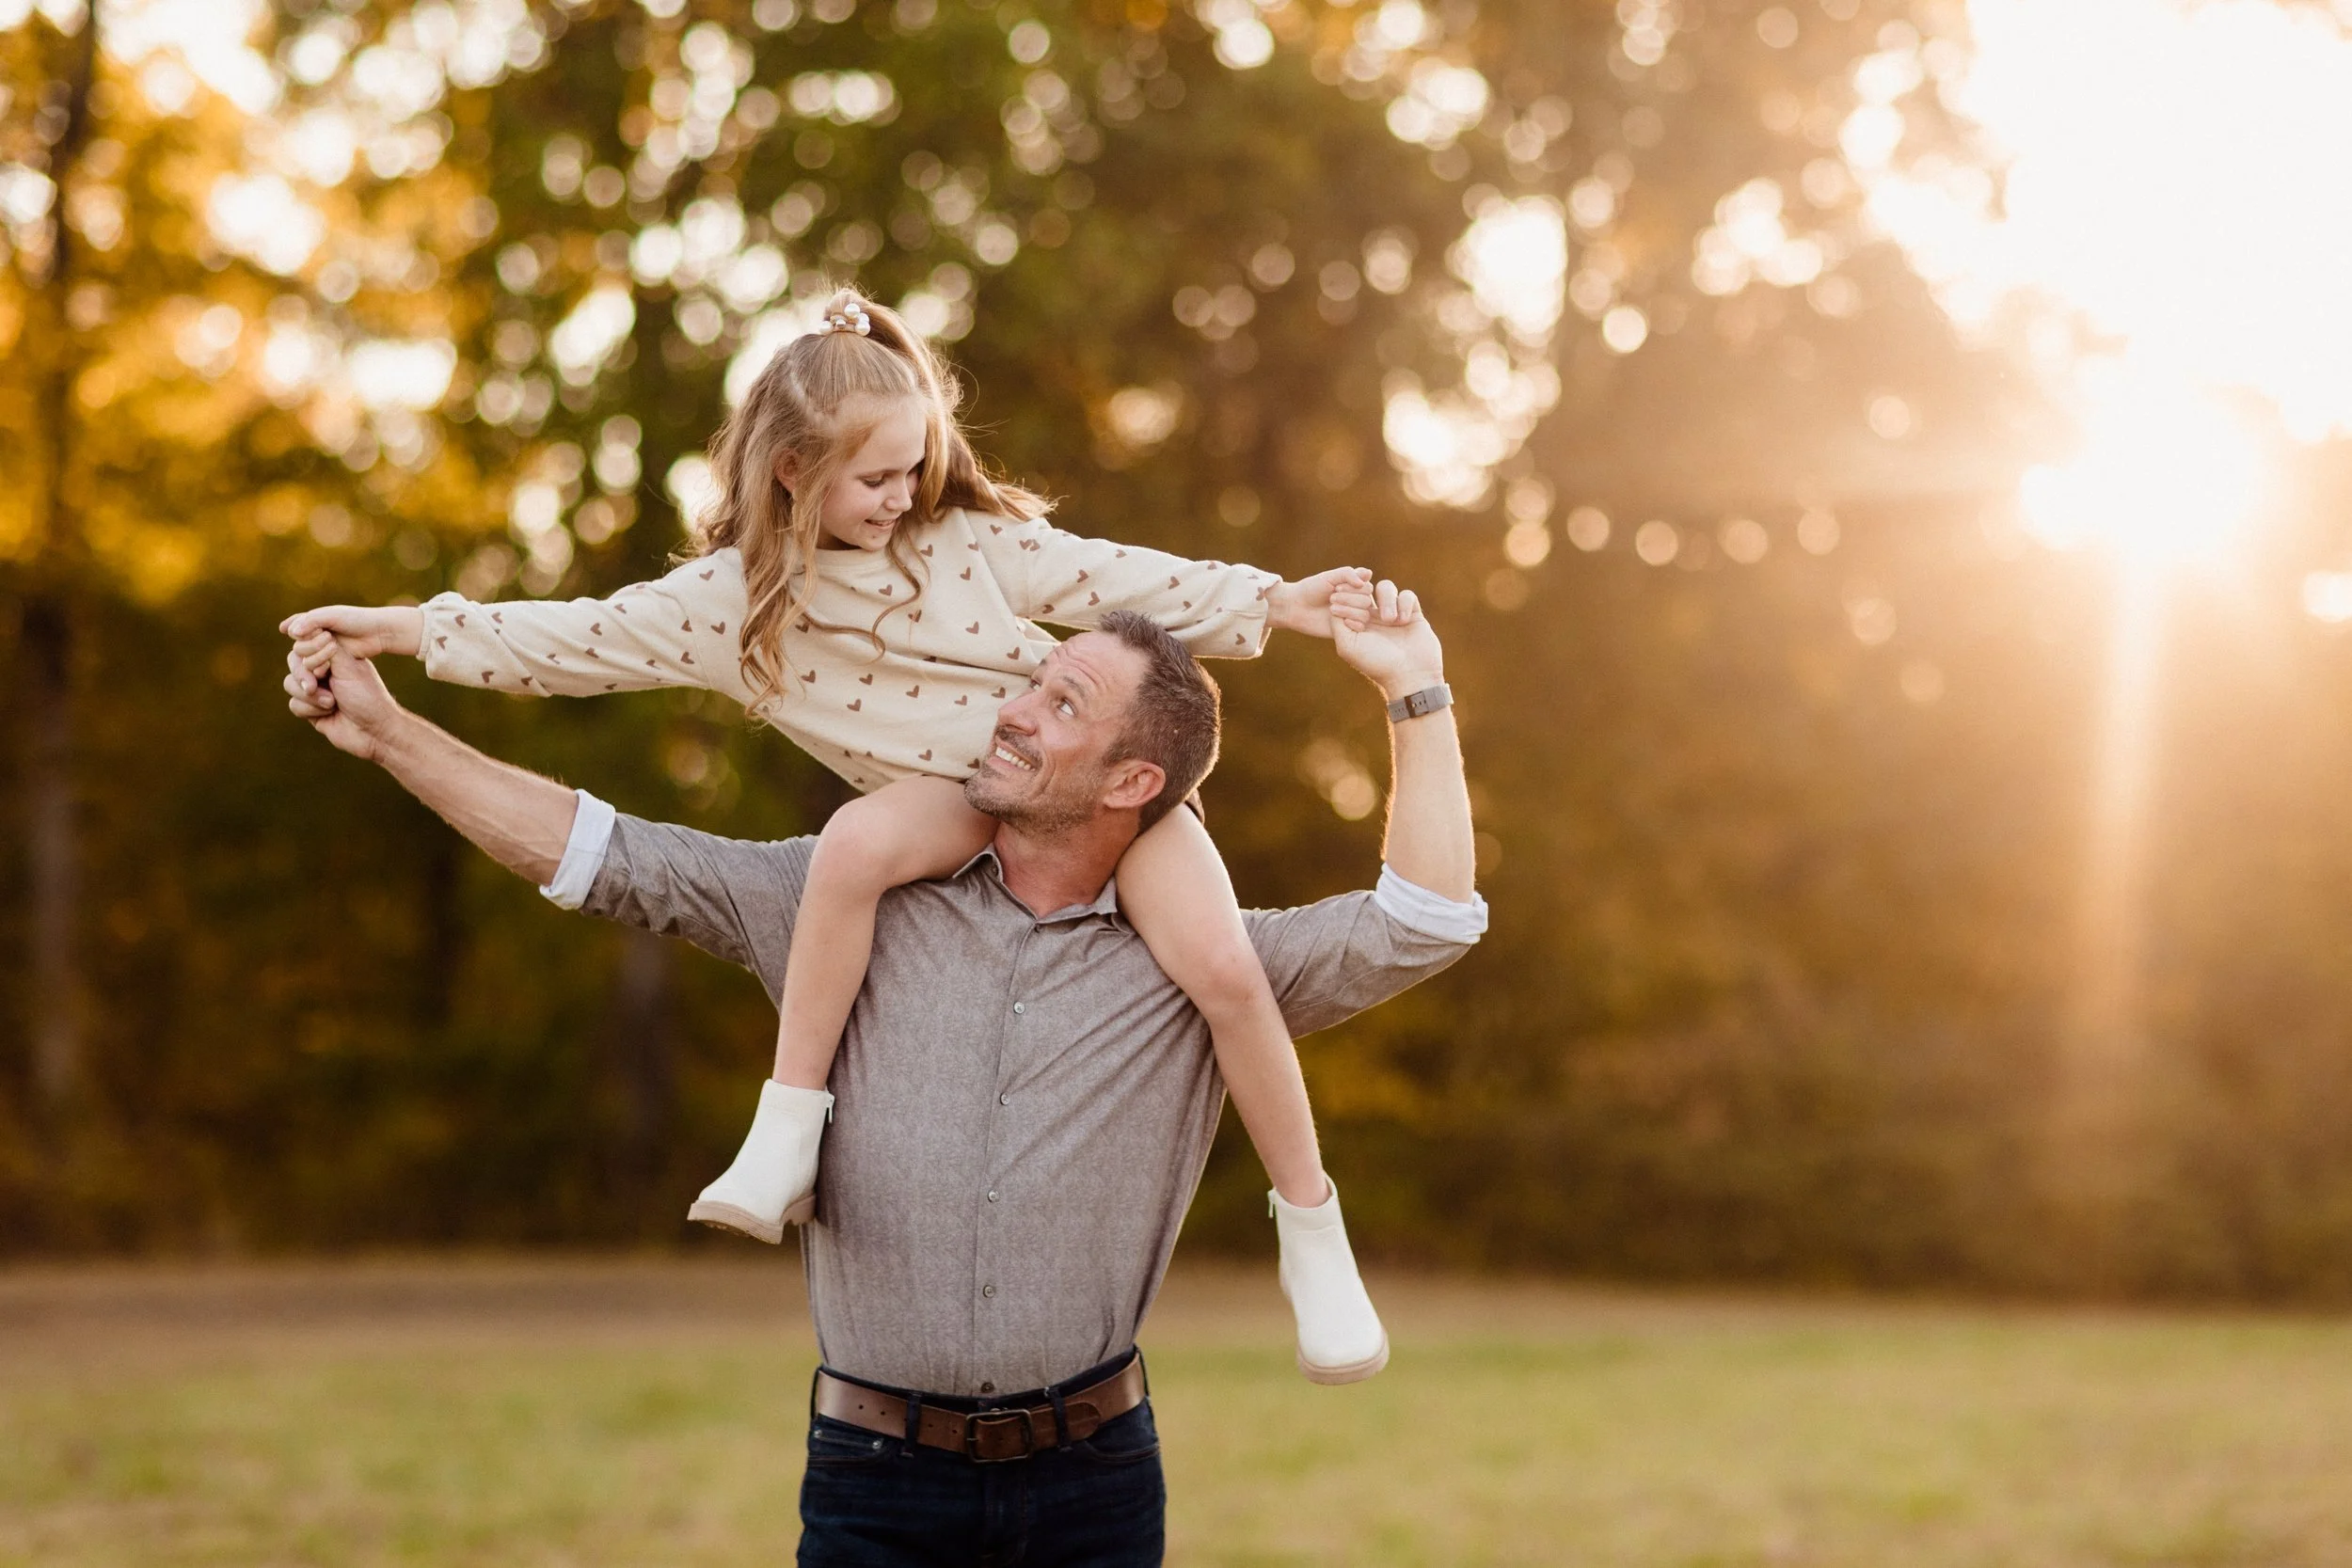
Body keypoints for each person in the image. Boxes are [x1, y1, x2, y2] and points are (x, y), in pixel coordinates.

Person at [281, 289, 1394, 1379]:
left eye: (915, 466)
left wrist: (1275, 601)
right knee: (854, 846)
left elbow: (1111, 575)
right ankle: (786, 1131)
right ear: (791, 470)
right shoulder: (729, 602)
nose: (903, 494)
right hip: (952, 796)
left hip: (1068, 778)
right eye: (877, 476)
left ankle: (1313, 1235)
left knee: (1228, 975)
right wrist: (406, 628)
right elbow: (569, 639)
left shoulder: (962, 539)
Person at [285, 582, 1482, 1563]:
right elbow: (606, 854)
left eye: (1060, 703)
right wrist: (390, 731)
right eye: (1028, 681)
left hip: (1096, 1487)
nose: (1009, 712)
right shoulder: (842, 900)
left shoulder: (1199, 965)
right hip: (874, 1486)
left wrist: (1413, 689)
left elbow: (1422, 922)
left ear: (1130, 783)